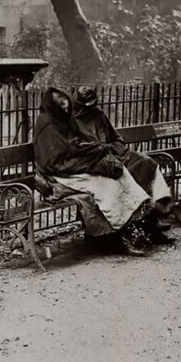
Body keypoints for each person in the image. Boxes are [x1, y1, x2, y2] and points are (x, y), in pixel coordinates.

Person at [33, 87, 153, 256]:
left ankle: (130, 227)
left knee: (121, 176)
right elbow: (54, 161)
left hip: (76, 166)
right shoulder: (45, 124)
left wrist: (95, 149)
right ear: (52, 106)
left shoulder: (66, 118)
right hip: (59, 174)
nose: (67, 109)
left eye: (67, 105)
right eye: (62, 106)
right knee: (107, 186)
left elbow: (82, 140)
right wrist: (86, 157)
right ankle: (116, 238)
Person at [71, 86, 176, 241]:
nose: (91, 109)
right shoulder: (70, 122)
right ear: (79, 104)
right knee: (121, 179)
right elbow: (75, 151)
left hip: (114, 155)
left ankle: (154, 218)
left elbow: (117, 138)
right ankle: (135, 229)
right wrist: (99, 152)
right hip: (94, 163)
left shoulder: (99, 114)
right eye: (87, 105)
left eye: (93, 104)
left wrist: (114, 150)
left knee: (147, 163)